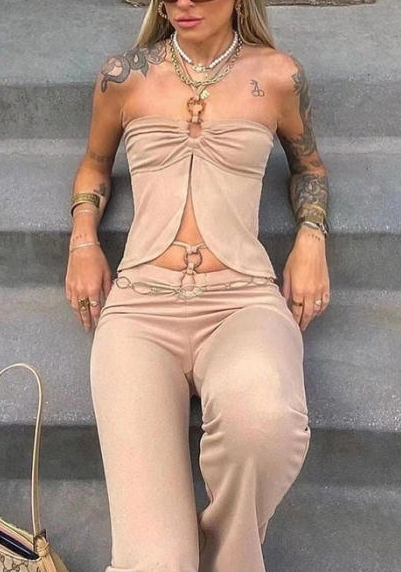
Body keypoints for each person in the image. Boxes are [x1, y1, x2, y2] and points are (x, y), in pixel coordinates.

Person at [65, 0, 330, 570]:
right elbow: (94, 164)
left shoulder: (278, 76)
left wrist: (311, 237)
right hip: (140, 310)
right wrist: (83, 241)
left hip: (242, 301)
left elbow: (309, 168)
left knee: (265, 422)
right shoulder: (124, 75)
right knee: (156, 562)